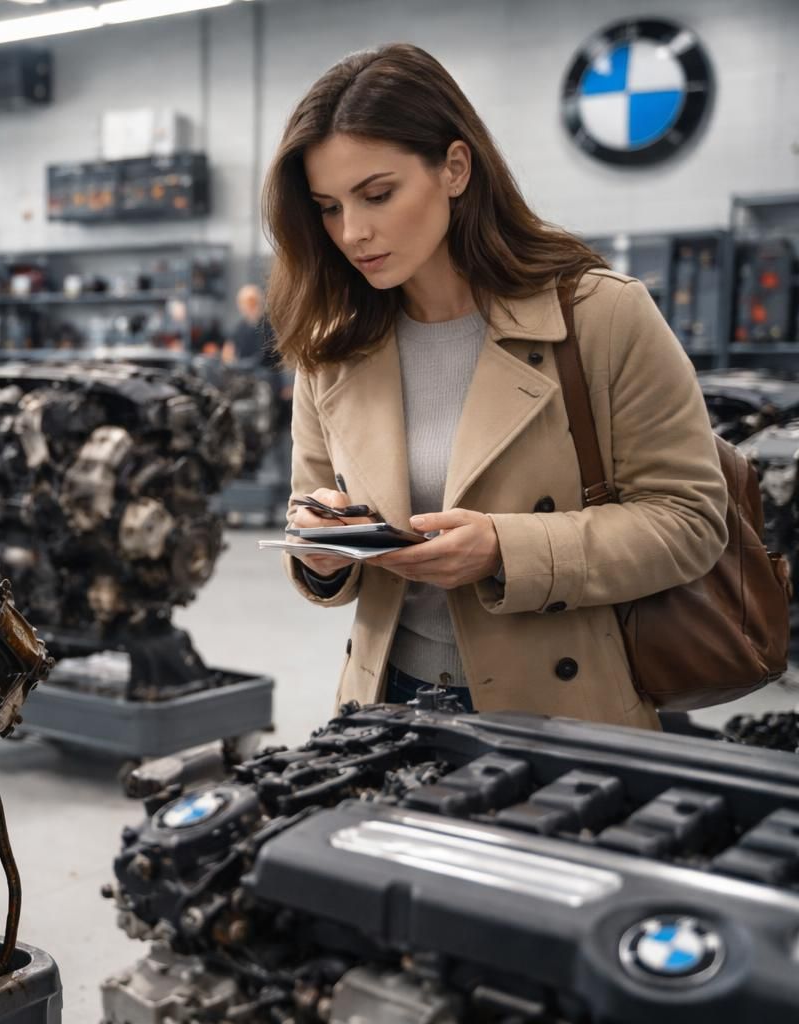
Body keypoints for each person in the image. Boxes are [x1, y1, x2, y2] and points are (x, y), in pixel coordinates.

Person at [270, 44, 726, 729]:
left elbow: (690, 522)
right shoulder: (331, 347)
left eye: (378, 193)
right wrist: (323, 554)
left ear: (455, 168)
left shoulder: (601, 316)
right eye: (328, 207)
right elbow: (314, 523)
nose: (353, 232)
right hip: (385, 708)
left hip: (563, 711)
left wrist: (506, 550)